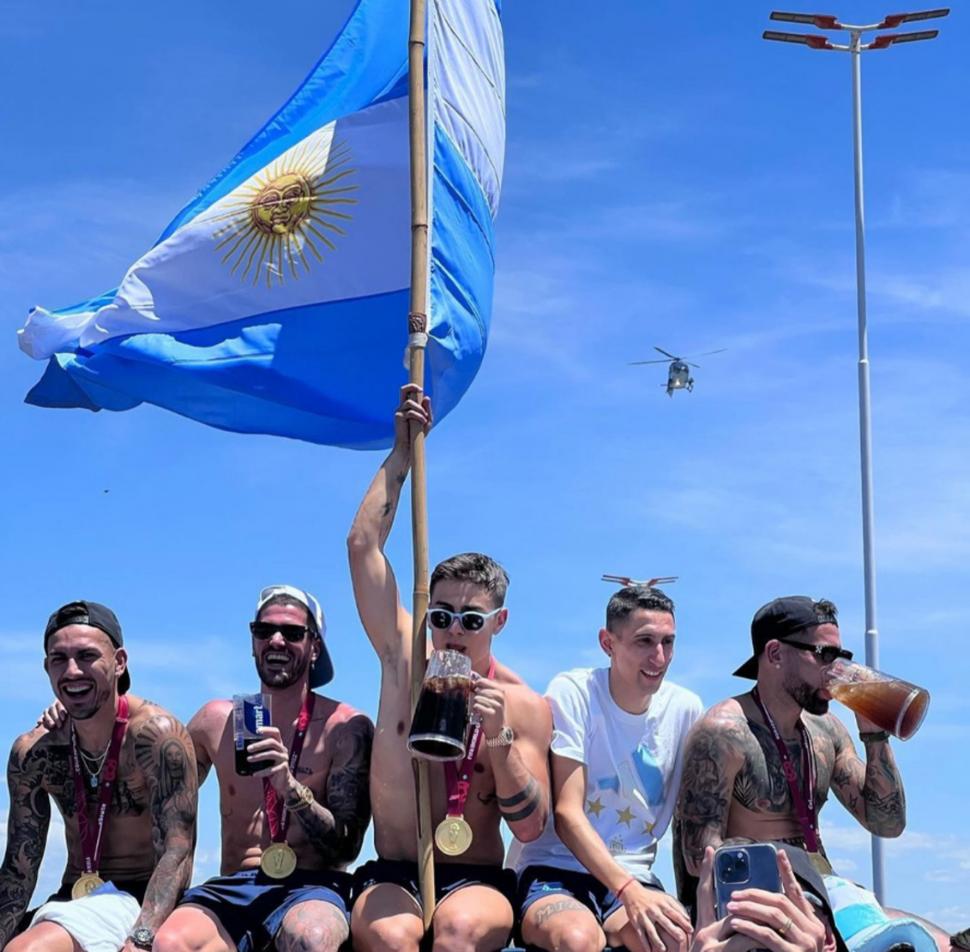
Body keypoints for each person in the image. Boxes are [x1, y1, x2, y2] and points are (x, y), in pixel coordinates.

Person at [346, 385, 553, 952]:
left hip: (476, 878)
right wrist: (402, 452)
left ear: (500, 621)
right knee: (391, 938)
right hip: (394, 870)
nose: (454, 630)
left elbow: (531, 828)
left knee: (457, 934)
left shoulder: (525, 705)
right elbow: (363, 544)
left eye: (471, 619)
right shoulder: (404, 656)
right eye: (441, 615)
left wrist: (500, 741)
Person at [674, 596, 948, 952]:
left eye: (841, 656)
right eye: (824, 655)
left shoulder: (826, 731)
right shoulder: (724, 732)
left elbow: (887, 824)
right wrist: (792, 879)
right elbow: (699, 859)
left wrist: (875, 735)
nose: (836, 668)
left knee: (936, 943)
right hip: (753, 896)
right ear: (774, 654)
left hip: (821, 890)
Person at [152, 585, 374, 952]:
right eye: (263, 631)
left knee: (312, 940)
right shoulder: (215, 720)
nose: (276, 640)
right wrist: (80, 720)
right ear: (252, 641)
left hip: (310, 887)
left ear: (315, 646)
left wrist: (289, 788)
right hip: (233, 886)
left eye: (292, 633)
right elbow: (156, 794)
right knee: (170, 943)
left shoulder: (344, 726)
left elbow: (347, 847)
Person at [511, 583, 703, 952]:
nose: (659, 657)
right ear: (607, 643)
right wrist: (627, 889)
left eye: (668, 642)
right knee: (577, 939)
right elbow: (567, 814)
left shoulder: (685, 708)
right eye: (644, 642)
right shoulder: (576, 691)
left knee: (674, 939)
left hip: (634, 875)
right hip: (558, 869)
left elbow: (689, 820)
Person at [0, 600, 198, 952]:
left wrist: (142, 937)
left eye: (87, 656)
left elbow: (177, 851)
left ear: (119, 662)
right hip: (72, 898)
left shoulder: (157, 737)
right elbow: (19, 866)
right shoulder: (34, 753)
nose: (72, 671)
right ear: (47, 668)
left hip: (141, 897)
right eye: (59, 659)